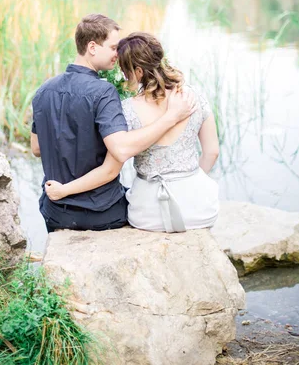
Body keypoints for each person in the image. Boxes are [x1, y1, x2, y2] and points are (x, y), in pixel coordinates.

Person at [31, 15, 197, 233]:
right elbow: (119, 150)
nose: (117, 55)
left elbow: (36, 148)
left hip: (55, 212)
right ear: (92, 47)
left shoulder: (44, 89)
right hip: (101, 213)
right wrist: (171, 117)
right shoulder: (103, 92)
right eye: (113, 47)